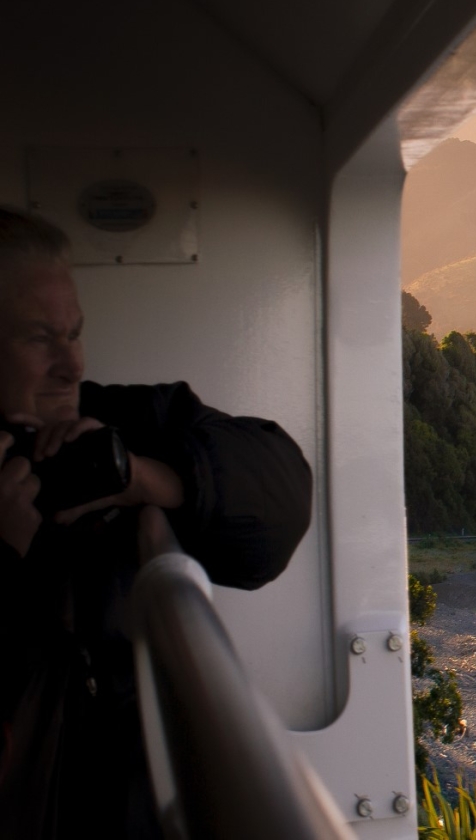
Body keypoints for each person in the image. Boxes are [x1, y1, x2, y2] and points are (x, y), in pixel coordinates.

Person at [0, 207, 313, 838]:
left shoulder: (122, 422)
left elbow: (280, 507)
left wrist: (144, 477)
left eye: (75, 334)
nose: (71, 364)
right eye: (39, 338)